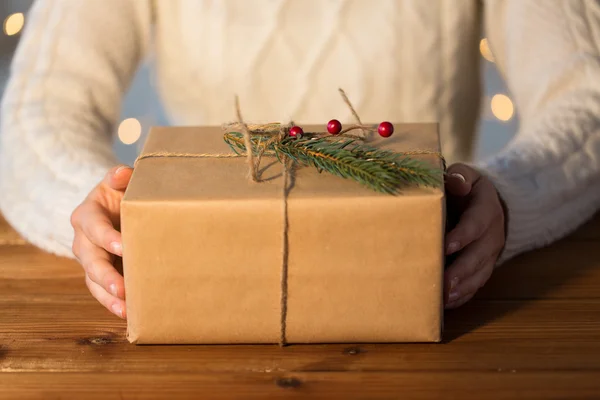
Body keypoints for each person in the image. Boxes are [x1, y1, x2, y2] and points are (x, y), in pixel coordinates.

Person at [1, 0, 599, 320]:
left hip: (421, 273)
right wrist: (89, 209)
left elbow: (587, 94)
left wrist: (511, 196)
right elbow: (34, 111)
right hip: (200, 283)